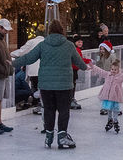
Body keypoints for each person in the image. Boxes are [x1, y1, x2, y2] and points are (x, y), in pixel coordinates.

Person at [12, 20, 92, 149]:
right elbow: (79, 61)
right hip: (64, 85)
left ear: (49, 31)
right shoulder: (69, 45)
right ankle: (62, 137)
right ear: (62, 31)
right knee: (63, 110)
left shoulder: (43, 45)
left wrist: (12, 63)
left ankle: (49, 136)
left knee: (49, 109)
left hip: (46, 85)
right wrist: (85, 67)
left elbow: (29, 57)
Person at [87, 56, 123, 133]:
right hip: (108, 97)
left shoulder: (121, 76)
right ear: (110, 69)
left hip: (115, 97)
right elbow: (100, 71)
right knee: (109, 109)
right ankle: (109, 120)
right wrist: (92, 66)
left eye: (115, 70)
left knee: (115, 110)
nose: (113, 71)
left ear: (118, 70)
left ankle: (115, 121)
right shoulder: (107, 74)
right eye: (112, 69)